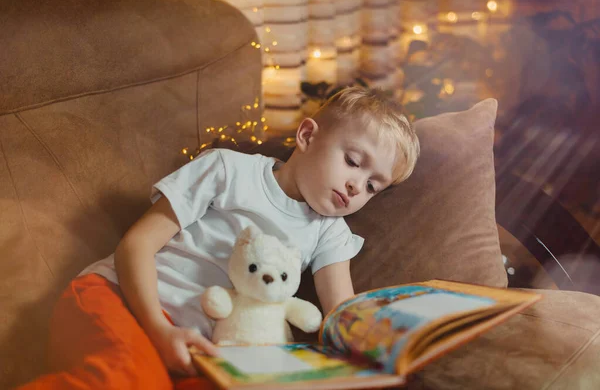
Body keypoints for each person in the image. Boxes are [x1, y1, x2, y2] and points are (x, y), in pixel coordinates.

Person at [18, 87, 420, 390]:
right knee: (127, 377)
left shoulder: (330, 231)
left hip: (202, 348)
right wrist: (159, 329)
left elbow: (343, 313)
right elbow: (135, 245)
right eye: (353, 162)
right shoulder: (228, 171)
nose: (356, 186)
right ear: (307, 136)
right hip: (116, 298)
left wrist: (394, 346)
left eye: (372, 186)